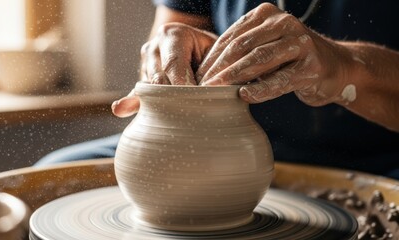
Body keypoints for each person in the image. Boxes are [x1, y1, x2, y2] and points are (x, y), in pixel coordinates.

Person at [35, 0, 399, 179]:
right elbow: (172, 35)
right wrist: (177, 59)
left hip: (373, 161)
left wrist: (345, 66)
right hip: (220, 148)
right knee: (56, 174)